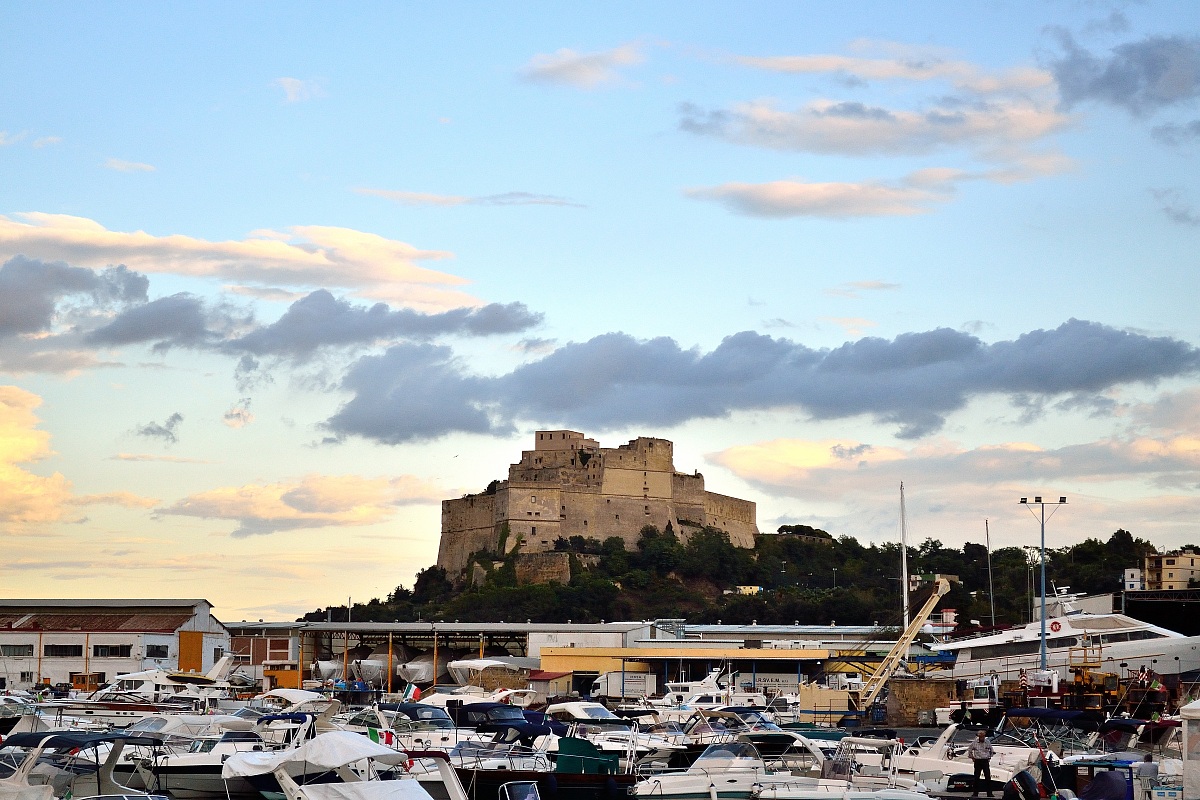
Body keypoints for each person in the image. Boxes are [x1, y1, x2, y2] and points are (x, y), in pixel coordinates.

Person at [966, 729, 995, 797]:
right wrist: (972, 757)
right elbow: (969, 750)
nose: (982, 737)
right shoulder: (974, 742)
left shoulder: (987, 742)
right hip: (978, 761)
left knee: (988, 777)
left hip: (985, 761)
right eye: (980, 736)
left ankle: (989, 793)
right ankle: (975, 793)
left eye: (983, 736)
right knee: (976, 777)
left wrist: (989, 757)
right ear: (978, 736)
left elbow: (991, 750)